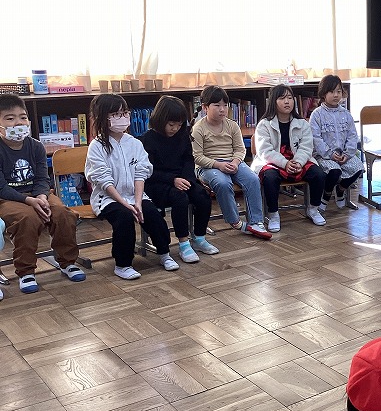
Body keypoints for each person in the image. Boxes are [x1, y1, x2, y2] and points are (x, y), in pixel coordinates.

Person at [85, 94, 178, 280]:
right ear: (103, 117)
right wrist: (125, 204)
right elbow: (104, 181)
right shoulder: (97, 146)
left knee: (153, 214)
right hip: (108, 198)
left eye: (125, 113)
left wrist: (138, 202)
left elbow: (140, 174)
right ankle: (123, 264)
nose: (122, 117)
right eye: (116, 114)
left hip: (135, 195)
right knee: (124, 218)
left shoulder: (134, 143)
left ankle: (164, 254)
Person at [0, 94, 84, 293]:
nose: (18, 123)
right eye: (10, 118)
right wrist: (29, 200)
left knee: (63, 213)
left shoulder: (36, 146)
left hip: (37, 193)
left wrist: (41, 197)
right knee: (28, 219)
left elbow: (41, 178)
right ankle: (26, 271)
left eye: (23, 117)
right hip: (7, 197)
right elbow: (1, 187)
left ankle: (67, 262)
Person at [140, 95, 219, 262]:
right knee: (180, 198)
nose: (175, 128)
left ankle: (199, 238)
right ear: (160, 120)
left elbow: (188, 159)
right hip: (157, 183)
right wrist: (172, 180)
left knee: (202, 196)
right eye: (171, 125)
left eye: (179, 124)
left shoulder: (182, 135)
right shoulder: (148, 139)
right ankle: (184, 243)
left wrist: (187, 178)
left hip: (182, 179)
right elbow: (148, 171)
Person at [191, 85, 271, 239]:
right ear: (205, 107)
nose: (222, 109)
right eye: (217, 105)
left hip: (233, 162)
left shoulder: (232, 125)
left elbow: (240, 149)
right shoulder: (198, 128)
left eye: (225, 105)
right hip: (208, 166)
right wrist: (218, 165)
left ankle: (256, 221)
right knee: (222, 183)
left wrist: (235, 162)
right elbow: (197, 157)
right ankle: (235, 221)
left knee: (253, 179)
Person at [251, 85, 326, 232]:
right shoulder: (264, 124)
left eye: (290, 98)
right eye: (282, 98)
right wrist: (285, 163)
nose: (287, 102)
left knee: (318, 174)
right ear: (273, 102)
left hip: (298, 160)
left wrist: (298, 162)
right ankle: (273, 215)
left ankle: (313, 209)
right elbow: (265, 151)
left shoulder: (302, 123)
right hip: (273, 161)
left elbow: (306, 147)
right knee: (270, 177)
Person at [308, 75, 362, 212]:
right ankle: (326, 194)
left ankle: (340, 190)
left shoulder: (346, 114)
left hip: (343, 154)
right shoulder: (317, 114)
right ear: (323, 93)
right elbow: (316, 138)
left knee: (359, 167)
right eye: (332, 92)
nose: (336, 95)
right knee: (334, 171)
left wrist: (348, 154)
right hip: (323, 156)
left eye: (339, 91)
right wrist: (330, 154)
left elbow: (352, 136)